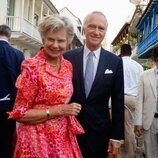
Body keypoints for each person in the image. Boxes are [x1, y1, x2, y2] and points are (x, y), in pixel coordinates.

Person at [8, 15, 84, 158]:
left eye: (61, 41)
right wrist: (59, 110)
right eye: (51, 39)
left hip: (63, 139)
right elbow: (19, 112)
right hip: (36, 141)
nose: (55, 45)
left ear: (68, 42)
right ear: (43, 39)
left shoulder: (67, 66)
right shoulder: (32, 67)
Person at [64, 11, 124, 158]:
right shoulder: (67, 58)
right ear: (84, 28)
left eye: (101, 28)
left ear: (105, 31)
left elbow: (118, 101)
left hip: (100, 132)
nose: (96, 32)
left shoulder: (114, 62)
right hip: (69, 130)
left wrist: (116, 137)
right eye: (92, 26)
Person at [0, 24, 24, 158]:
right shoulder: (18, 54)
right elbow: (22, 82)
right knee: (6, 141)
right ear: (9, 37)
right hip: (9, 106)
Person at [119, 44, 143, 158]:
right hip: (134, 98)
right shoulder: (138, 66)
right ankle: (133, 152)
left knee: (119, 125)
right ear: (130, 52)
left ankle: (125, 154)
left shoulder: (117, 63)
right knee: (131, 125)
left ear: (121, 52)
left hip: (119, 98)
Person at [134, 48, 158, 158]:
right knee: (150, 154)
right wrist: (138, 123)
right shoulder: (144, 75)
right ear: (154, 59)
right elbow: (139, 101)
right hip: (150, 121)